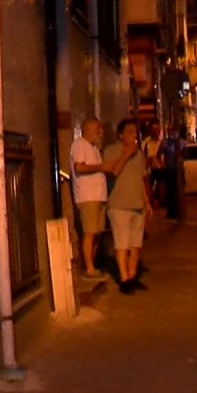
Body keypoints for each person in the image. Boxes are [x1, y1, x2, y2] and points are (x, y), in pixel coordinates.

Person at [70, 116, 129, 281]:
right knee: (89, 232)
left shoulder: (93, 148)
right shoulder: (80, 145)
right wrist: (102, 167)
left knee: (96, 233)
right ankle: (88, 267)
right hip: (87, 196)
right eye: (98, 129)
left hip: (98, 196)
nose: (101, 132)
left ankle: (92, 265)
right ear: (88, 129)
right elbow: (79, 167)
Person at [103, 118, 151, 293]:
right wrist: (126, 154)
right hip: (119, 205)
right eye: (130, 132)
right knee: (122, 244)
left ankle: (132, 275)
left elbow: (141, 179)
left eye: (135, 133)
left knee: (135, 244)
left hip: (137, 204)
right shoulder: (111, 151)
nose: (134, 136)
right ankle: (124, 279)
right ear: (120, 135)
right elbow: (114, 171)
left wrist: (146, 201)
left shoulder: (139, 154)